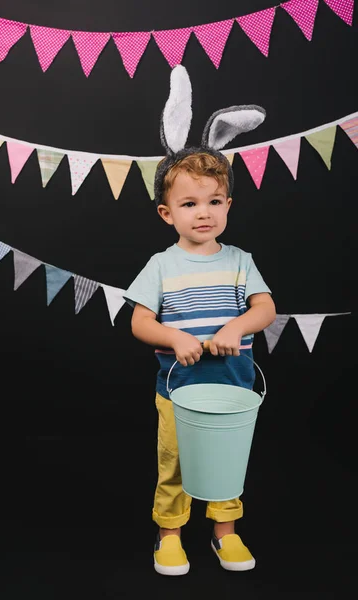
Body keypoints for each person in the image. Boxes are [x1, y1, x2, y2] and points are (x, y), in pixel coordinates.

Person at [124, 65, 276, 576]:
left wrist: (237, 327)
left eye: (214, 201)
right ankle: (170, 534)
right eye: (189, 203)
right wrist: (173, 335)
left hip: (231, 386)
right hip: (178, 387)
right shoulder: (161, 265)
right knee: (175, 464)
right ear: (168, 213)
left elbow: (265, 309)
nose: (203, 213)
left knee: (228, 463)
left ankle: (225, 533)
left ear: (228, 205)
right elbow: (140, 323)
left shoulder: (240, 260)